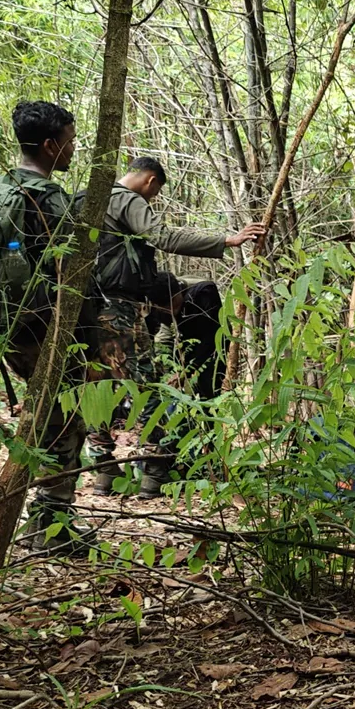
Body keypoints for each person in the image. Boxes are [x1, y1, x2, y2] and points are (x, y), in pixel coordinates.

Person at [86, 157, 265, 496]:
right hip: (119, 310)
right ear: (150, 181)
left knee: (97, 392)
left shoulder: (85, 198)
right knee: (148, 391)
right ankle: (154, 474)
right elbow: (163, 237)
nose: (151, 202)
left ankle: (103, 473)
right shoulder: (126, 198)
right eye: (154, 195)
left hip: (83, 309)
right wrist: (227, 240)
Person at [0, 100, 93, 554]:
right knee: (65, 421)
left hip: (4, 327)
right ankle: (51, 531)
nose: (73, 151)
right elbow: (74, 268)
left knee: (48, 419)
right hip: (44, 329)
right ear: (51, 146)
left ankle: (45, 523)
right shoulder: (50, 199)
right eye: (70, 142)